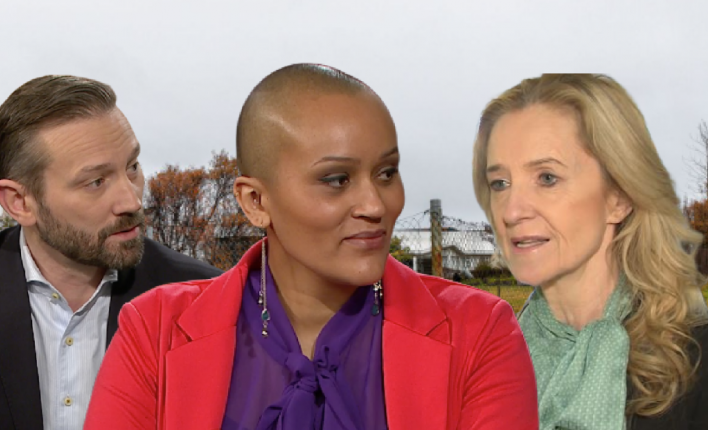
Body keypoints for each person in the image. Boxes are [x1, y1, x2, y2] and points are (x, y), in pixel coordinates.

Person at [84, 64, 538, 430]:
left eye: (386, 173)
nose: (375, 205)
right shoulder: (154, 332)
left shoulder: (479, 334)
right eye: (337, 180)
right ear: (255, 201)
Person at [0, 75, 222, 430]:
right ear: (20, 202)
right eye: (96, 182)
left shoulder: (207, 302)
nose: (131, 201)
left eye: (132, 167)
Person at [472, 74, 708, 430]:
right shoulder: (482, 359)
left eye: (547, 178)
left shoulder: (695, 361)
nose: (511, 211)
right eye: (500, 183)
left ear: (619, 198)